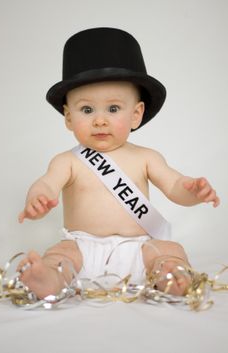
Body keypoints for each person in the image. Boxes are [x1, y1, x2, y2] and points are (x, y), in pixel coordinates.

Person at [17, 28, 220, 300]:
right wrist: (38, 199)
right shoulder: (67, 161)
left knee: (170, 250)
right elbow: (46, 184)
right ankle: (49, 278)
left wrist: (193, 192)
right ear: (68, 117)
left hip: (139, 249)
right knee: (60, 254)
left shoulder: (147, 157)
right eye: (87, 110)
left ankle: (171, 276)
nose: (100, 120)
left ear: (136, 114)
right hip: (82, 248)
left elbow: (174, 186)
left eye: (113, 109)